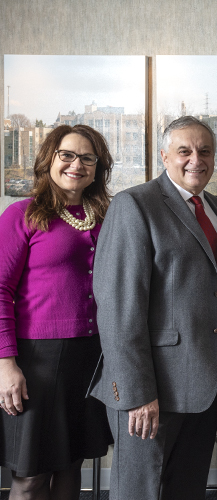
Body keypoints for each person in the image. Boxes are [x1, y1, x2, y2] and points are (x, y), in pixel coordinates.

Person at [88, 116, 217, 500]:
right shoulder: (135, 204)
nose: (195, 160)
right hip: (152, 389)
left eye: (204, 151)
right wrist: (136, 393)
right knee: (140, 492)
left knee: (186, 489)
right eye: (184, 151)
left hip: (205, 383)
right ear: (165, 156)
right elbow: (119, 309)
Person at [0, 124, 113, 500]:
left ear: (98, 167)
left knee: (70, 466)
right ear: (49, 158)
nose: (76, 165)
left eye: (87, 158)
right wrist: (6, 366)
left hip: (91, 357)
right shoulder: (23, 214)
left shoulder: (107, 217)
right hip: (37, 361)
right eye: (66, 155)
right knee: (31, 476)